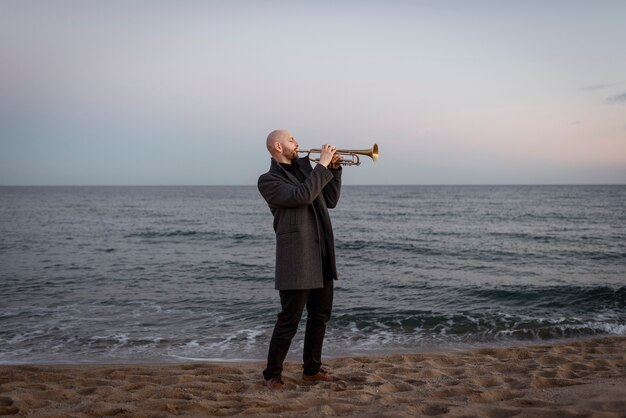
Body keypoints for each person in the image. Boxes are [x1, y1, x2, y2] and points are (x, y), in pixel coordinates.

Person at [257, 129, 343, 390]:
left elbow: (330, 200)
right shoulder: (269, 180)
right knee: (289, 320)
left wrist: (335, 170)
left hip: (321, 254)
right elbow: (300, 197)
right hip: (296, 257)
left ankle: (311, 370)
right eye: (291, 139)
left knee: (320, 316)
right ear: (277, 147)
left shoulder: (307, 171)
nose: (297, 142)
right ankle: (272, 374)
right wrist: (322, 165)